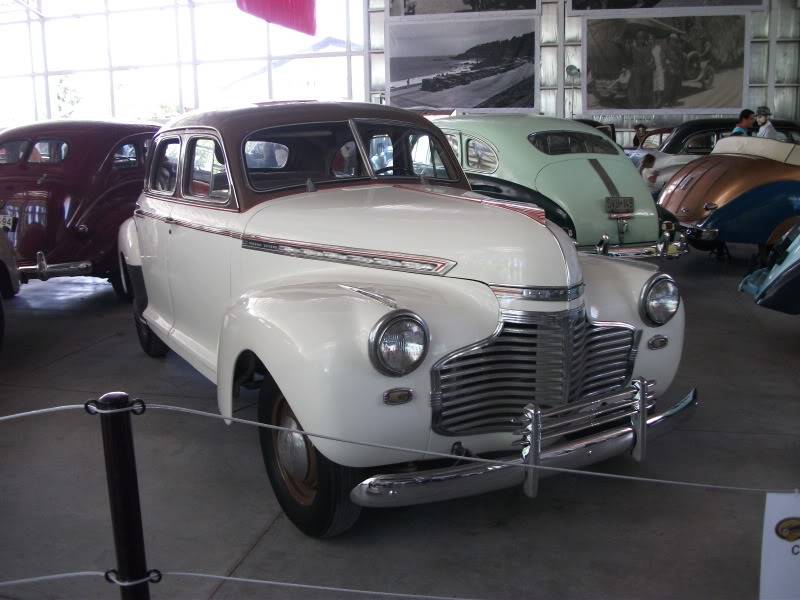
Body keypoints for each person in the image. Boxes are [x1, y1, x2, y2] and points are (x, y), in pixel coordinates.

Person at [628, 30, 654, 108]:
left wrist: (651, 64)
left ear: (644, 39)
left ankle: (646, 107)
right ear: (636, 39)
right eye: (639, 38)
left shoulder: (648, 48)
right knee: (638, 92)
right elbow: (628, 58)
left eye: (642, 38)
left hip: (647, 72)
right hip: (637, 72)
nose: (640, 40)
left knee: (646, 91)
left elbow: (651, 58)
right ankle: (638, 107)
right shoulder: (632, 48)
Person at [651, 36, 665, 108]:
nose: (650, 40)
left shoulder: (658, 48)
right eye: (649, 39)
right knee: (653, 87)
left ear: (654, 39)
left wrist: (662, 66)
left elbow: (663, 57)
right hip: (652, 70)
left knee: (659, 87)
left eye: (651, 39)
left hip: (659, 69)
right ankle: (654, 103)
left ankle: (659, 103)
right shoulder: (648, 48)